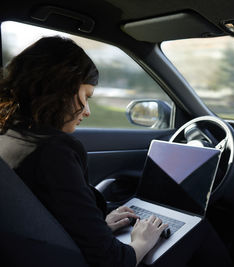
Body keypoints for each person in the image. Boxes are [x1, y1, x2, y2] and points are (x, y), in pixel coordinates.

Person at [0, 36, 168, 267]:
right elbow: (112, 261)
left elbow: (41, 215)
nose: (87, 111)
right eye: (86, 97)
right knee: (201, 231)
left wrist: (99, 227)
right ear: (60, 89)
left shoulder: (8, 135)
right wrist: (142, 241)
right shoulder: (54, 151)